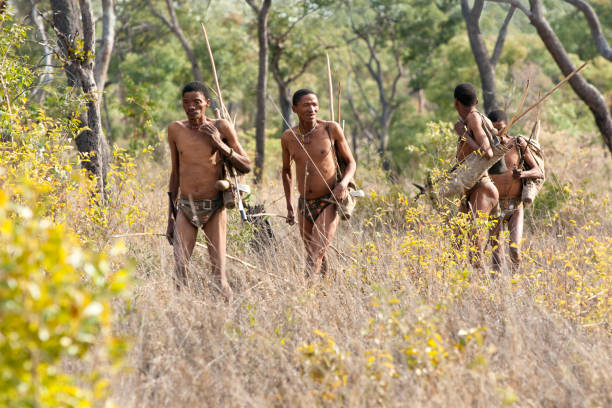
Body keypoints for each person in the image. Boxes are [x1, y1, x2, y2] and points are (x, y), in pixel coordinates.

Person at [166, 82, 251, 301]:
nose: (191, 107)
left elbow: (246, 165)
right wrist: (170, 216)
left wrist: (218, 143)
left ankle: (226, 316)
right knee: (180, 271)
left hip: (215, 207)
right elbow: (175, 174)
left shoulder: (221, 127)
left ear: (207, 103)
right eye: (186, 103)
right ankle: (182, 316)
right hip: (185, 206)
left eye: (197, 102)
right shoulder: (176, 129)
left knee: (218, 276)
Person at [281, 89, 356, 278]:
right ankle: (324, 291)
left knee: (315, 254)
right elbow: (286, 171)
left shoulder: (330, 129)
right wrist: (290, 206)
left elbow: (351, 163)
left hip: (329, 200)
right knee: (315, 254)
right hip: (304, 203)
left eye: (314, 104)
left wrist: (343, 185)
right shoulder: (288, 137)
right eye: (306, 105)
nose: (311, 108)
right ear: (294, 108)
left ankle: (307, 298)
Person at [487, 109, 543, 272]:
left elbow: (538, 171)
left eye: (502, 128)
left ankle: (515, 283)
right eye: (495, 129)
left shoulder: (518, 143)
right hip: (494, 206)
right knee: (496, 256)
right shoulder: (487, 148)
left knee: (514, 250)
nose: (499, 132)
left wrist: (522, 174)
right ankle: (498, 292)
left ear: (508, 126)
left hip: (514, 206)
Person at [453, 83, 499, 269]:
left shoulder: (473, 118)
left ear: (456, 103)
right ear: (477, 101)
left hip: (482, 189)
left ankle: (482, 293)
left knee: (475, 253)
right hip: (473, 191)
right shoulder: (477, 118)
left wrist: (464, 136)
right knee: (456, 246)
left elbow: (487, 152)